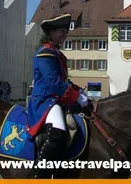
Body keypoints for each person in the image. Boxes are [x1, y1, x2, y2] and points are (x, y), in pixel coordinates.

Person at [27, 14, 88, 179]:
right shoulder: (46, 53)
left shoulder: (56, 53)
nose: (64, 34)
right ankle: (41, 175)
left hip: (56, 99)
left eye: (65, 31)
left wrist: (79, 91)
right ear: (51, 32)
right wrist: (76, 97)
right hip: (46, 100)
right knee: (58, 133)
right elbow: (54, 83)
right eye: (61, 31)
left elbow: (63, 81)